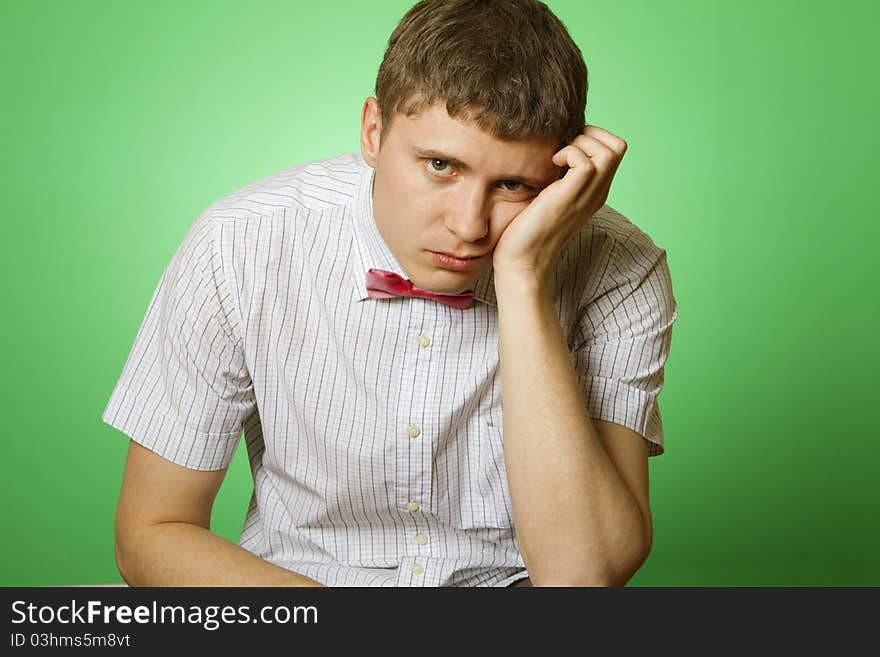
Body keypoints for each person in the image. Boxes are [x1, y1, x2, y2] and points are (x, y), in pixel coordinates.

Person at [103, 0, 679, 587]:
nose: (469, 224)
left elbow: (583, 580)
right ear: (374, 132)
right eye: (439, 165)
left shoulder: (619, 268)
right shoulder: (238, 244)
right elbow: (152, 532)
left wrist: (523, 280)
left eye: (513, 184)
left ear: (559, 177)